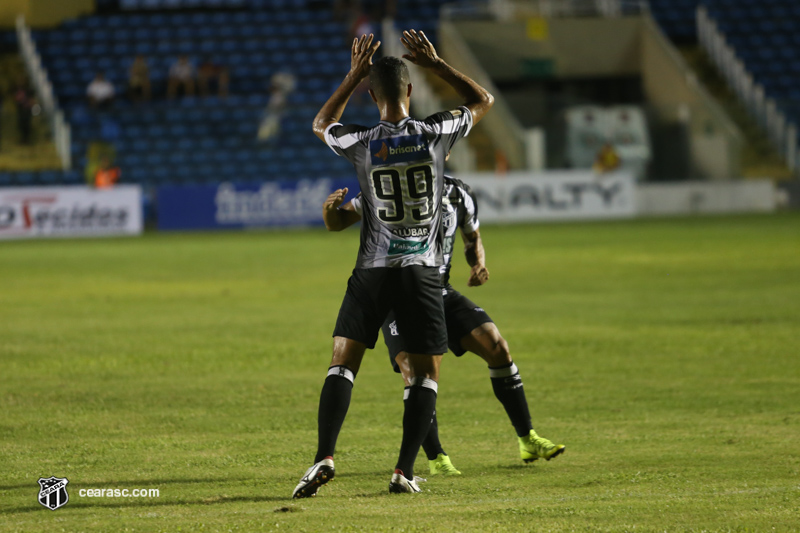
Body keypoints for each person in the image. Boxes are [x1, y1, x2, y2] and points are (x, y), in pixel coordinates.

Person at [291, 31, 493, 498]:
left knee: (343, 362)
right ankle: (403, 470)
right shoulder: (434, 133)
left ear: (371, 94)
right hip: (422, 270)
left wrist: (351, 74)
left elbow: (323, 122)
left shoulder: (361, 142)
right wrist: (438, 63)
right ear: (410, 91)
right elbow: (482, 99)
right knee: (425, 373)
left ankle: (323, 456)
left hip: (372, 270)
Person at [322, 174, 566, 475]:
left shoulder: (459, 192)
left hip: (440, 290)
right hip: (397, 293)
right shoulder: (390, 185)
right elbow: (340, 221)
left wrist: (477, 263)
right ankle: (437, 459)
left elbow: (472, 236)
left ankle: (527, 438)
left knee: (497, 346)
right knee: (415, 373)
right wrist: (330, 211)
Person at [13, 78, 35, 145]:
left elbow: (29, 102)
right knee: (21, 126)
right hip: (21, 112)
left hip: (26, 111)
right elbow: (17, 100)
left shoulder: (27, 92)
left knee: (26, 126)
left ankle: (27, 139)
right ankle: (23, 139)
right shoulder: (18, 93)